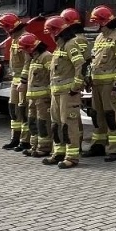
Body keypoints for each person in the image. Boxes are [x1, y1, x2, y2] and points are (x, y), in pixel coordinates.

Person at [46, 9, 89, 168]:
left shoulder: (71, 45)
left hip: (67, 93)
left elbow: (80, 65)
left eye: (51, 32)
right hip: (56, 92)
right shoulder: (59, 47)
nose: (49, 35)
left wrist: (75, 87)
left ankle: (72, 156)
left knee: (68, 124)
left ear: (57, 32)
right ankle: (58, 152)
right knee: (56, 124)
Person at [87, 5, 116, 162]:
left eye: (96, 22)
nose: (95, 25)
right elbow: (93, 61)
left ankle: (115, 150)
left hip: (110, 85)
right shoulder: (99, 38)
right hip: (96, 84)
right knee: (97, 116)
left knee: (112, 116)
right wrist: (88, 78)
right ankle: (98, 145)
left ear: (104, 22)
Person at [0, 12, 28, 150]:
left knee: (23, 110)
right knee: (13, 109)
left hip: (23, 82)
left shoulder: (25, 39)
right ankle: (15, 138)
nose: (4, 31)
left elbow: (28, 63)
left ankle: (25, 140)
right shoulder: (15, 39)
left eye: (5, 28)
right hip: (15, 81)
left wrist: (24, 81)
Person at [20, 32, 50, 157]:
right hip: (32, 97)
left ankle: (44, 147)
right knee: (32, 122)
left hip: (43, 98)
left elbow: (52, 75)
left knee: (42, 123)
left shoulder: (46, 56)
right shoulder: (35, 57)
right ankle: (34, 146)